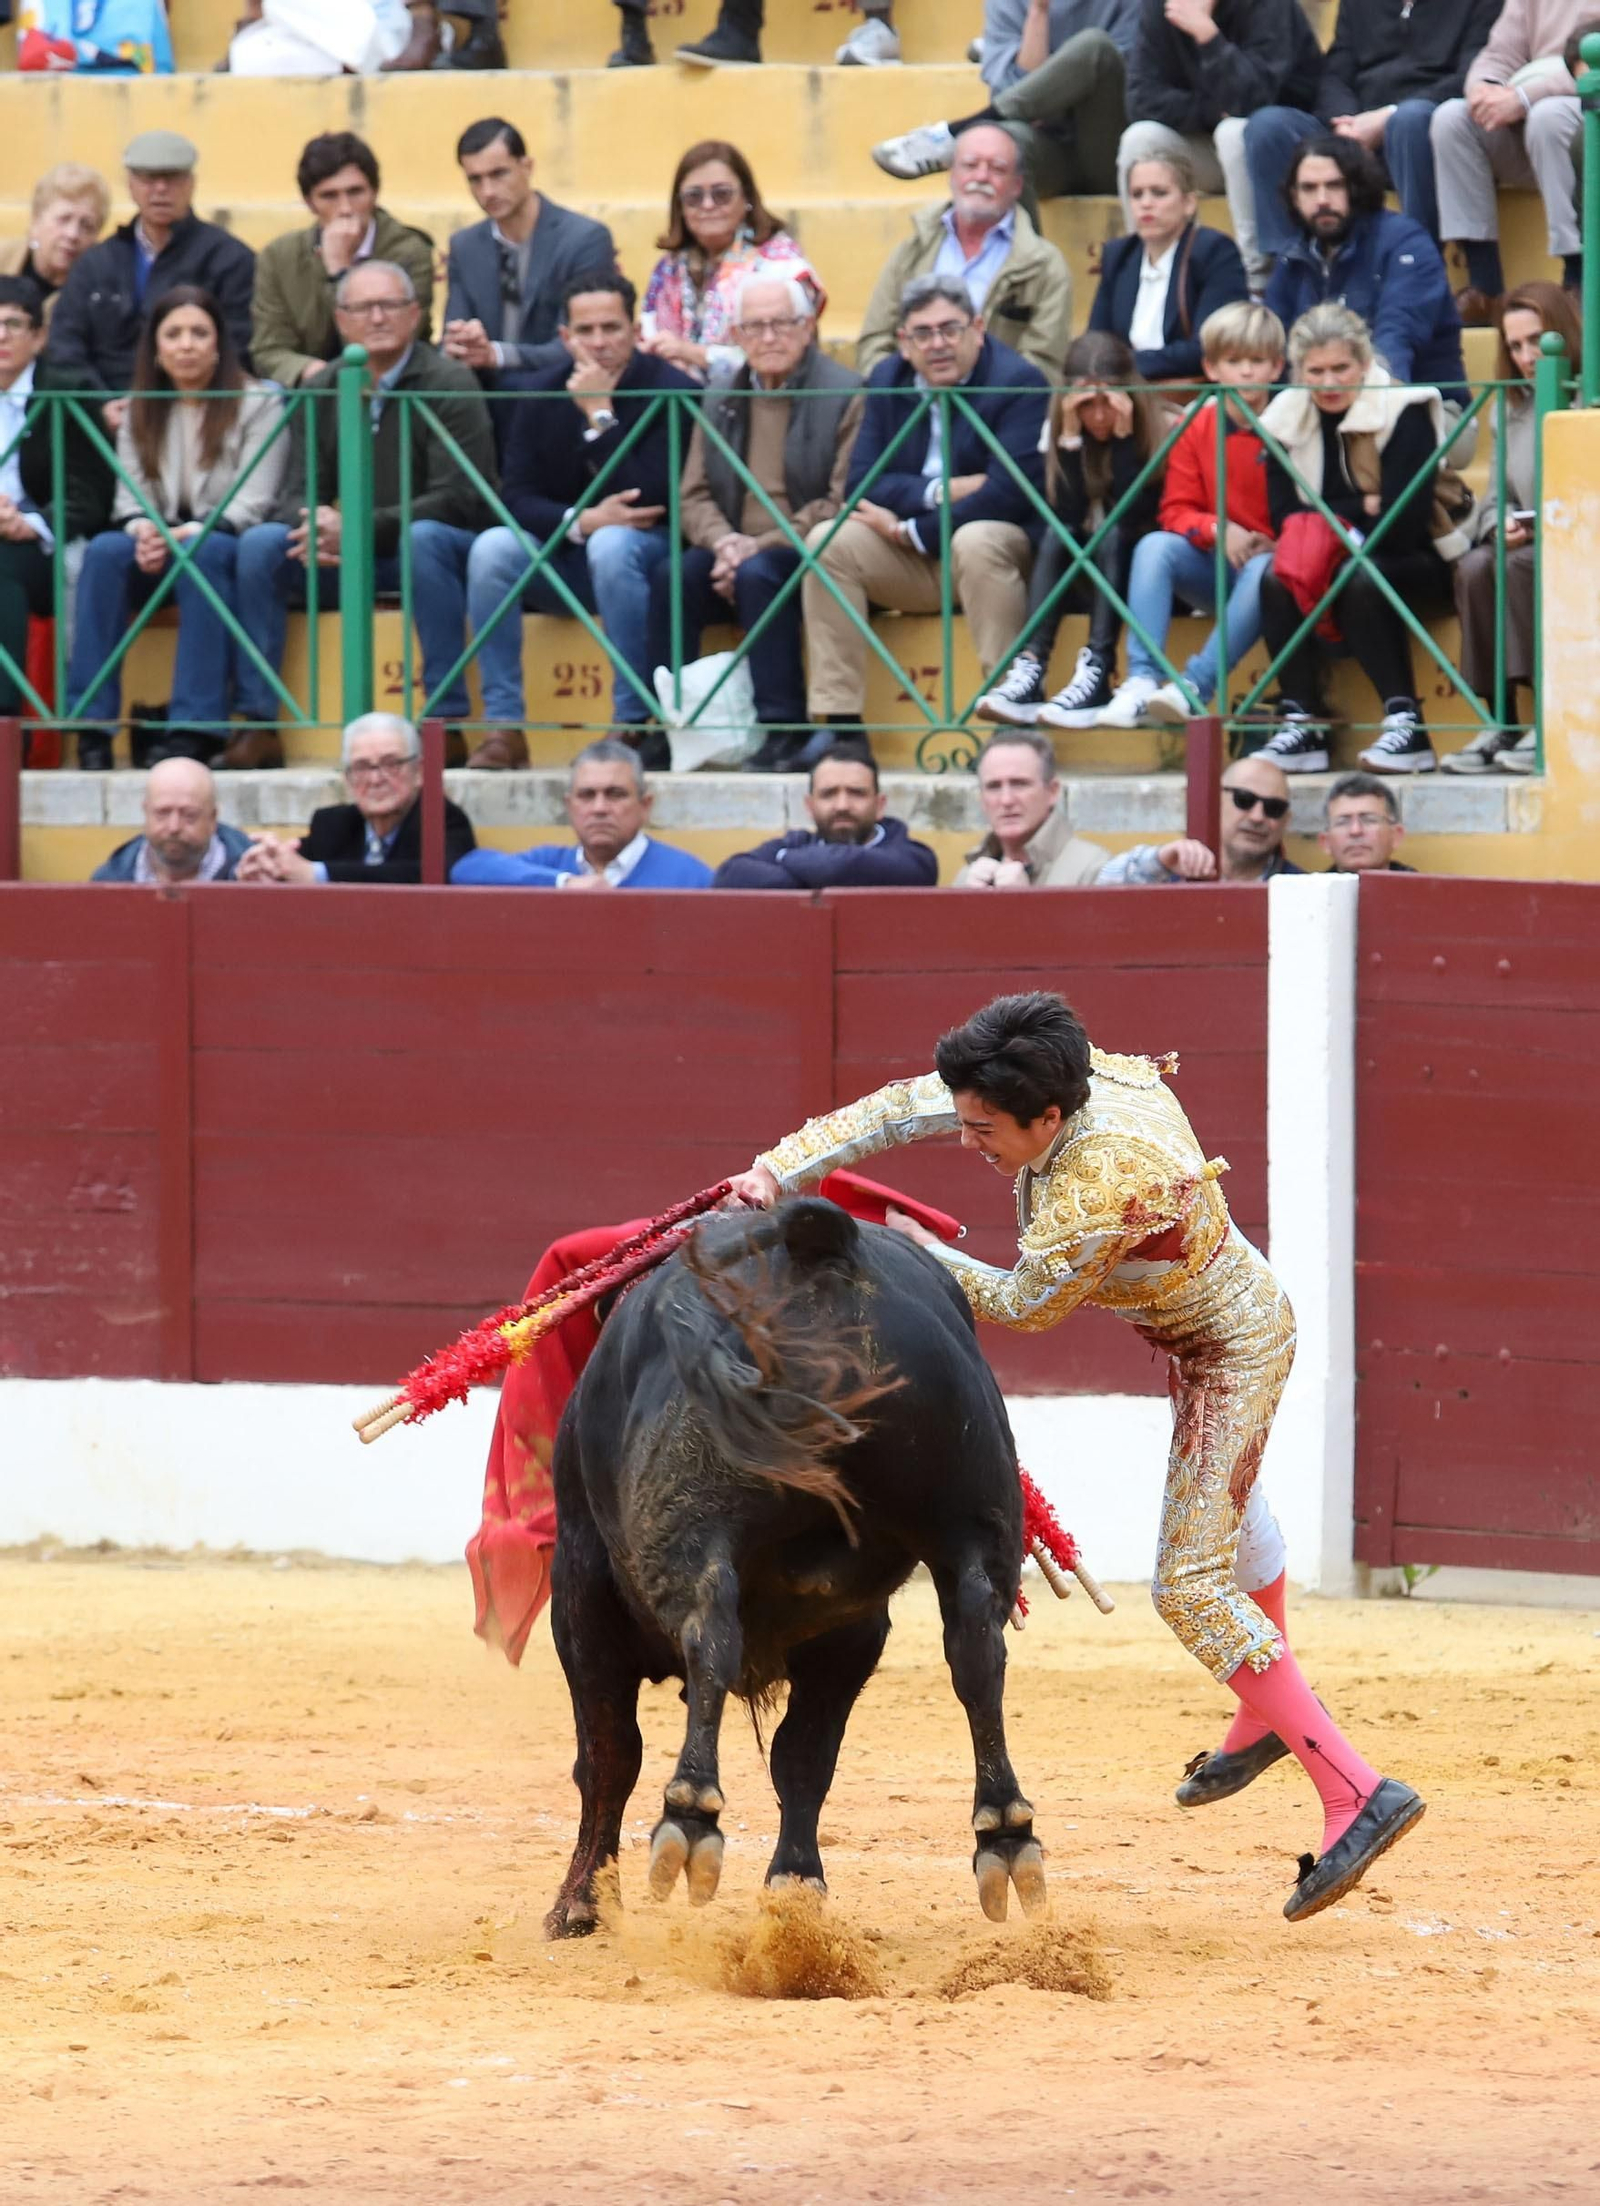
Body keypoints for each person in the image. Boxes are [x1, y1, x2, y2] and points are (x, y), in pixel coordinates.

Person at [729, 990, 1425, 1922]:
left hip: (1232, 1350)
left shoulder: (1105, 1178)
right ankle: (1263, 1716)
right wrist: (777, 1168)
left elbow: (1025, 1304)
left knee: (1189, 1583)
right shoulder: (1057, 1085)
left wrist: (900, 1247)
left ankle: (1356, 1792)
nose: (967, 1139)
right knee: (1233, 1526)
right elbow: (902, 1107)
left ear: (1048, 1117)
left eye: (983, 1129)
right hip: (1213, 1322)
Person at [413, 271, 698, 773]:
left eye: (611, 328)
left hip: (643, 557)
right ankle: (505, 727)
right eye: (585, 331)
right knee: (495, 548)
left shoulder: (672, 388)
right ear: (565, 337)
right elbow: (516, 497)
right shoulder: (539, 391)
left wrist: (600, 415)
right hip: (564, 553)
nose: (599, 343)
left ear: (634, 330)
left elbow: (654, 495)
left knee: (613, 544)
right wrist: (579, 521)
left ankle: (634, 720)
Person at [233, 263, 496, 773]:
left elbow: (460, 497)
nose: (377, 317)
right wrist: (319, 524)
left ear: (417, 315)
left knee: (426, 539)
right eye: (362, 308)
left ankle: (447, 722)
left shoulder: (450, 381)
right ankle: (257, 723)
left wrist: (358, 527)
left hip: (419, 557)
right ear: (340, 320)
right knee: (262, 544)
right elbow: (294, 492)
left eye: (391, 305)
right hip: (337, 557)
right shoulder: (323, 387)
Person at [802, 276, 1048, 739]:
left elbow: (1008, 493)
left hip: (996, 553)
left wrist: (912, 531)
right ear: (903, 342)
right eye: (923, 333)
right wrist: (943, 491)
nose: (938, 345)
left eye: (950, 329)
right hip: (917, 555)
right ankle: (839, 724)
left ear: (978, 327)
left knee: (975, 538)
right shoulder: (888, 380)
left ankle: (1013, 714)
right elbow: (861, 484)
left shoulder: (1018, 381)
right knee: (827, 541)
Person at [650, 270, 864, 775]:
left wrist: (759, 545)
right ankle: (663, 723)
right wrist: (724, 542)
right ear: (736, 335)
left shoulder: (846, 392)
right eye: (755, 327)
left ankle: (782, 728)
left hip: (801, 545)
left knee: (759, 576)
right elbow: (693, 493)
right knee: (672, 577)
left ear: (808, 326)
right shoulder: (722, 393)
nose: (769, 338)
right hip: (732, 546)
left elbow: (840, 499)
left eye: (783, 324)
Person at [65, 287, 285, 773]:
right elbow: (129, 498)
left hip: (220, 537)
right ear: (156, 349)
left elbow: (253, 502)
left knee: (202, 557)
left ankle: (196, 725)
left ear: (220, 344)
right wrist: (145, 530)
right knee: (103, 552)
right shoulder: (140, 405)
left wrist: (182, 535)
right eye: (174, 334)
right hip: (158, 537)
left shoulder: (259, 404)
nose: (186, 345)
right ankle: (92, 725)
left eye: (199, 333)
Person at [1253, 302, 1474, 777]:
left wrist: (1327, 517)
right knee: (1275, 579)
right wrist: (1359, 508)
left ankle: (1407, 725)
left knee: (1360, 575)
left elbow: (1402, 525)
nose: (1329, 383)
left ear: (1364, 363)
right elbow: (1282, 515)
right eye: (1316, 372)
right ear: (1298, 371)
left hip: (1420, 559)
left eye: (1341, 368)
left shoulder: (1403, 408)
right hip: (1332, 556)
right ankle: (1303, 722)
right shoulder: (1284, 417)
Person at [1098, 300, 1285, 730]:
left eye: (1257, 361)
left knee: (1262, 569)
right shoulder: (1197, 424)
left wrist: (1273, 543)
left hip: (1279, 572)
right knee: (1154, 547)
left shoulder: (1293, 419)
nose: (1246, 373)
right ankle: (1142, 678)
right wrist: (1218, 529)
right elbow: (1176, 510)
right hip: (1218, 564)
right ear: (1211, 368)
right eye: (1233, 361)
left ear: (1276, 367)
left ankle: (1196, 686)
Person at [977, 330, 1166, 730]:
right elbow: (1067, 511)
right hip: (1083, 570)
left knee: (1114, 533)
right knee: (1057, 534)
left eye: (1107, 403)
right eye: (1086, 405)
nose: (1098, 416)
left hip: (1134, 575)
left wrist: (1124, 439)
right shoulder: (1063, 429)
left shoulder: (1155, 427)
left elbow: (1132, 515)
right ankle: (1031, 667)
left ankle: (1098, 668)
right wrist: (1069, 438)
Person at [1445, 282, 1580, 776]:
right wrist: (1495, 524)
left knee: (1522, 564)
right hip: (1533, 539)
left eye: (1537, 341)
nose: (1527, 357)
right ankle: (1499, 719)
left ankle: (1548, 719)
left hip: (1582, 544)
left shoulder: (1588, 396)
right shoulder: (1510, 407)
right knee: (1478, 564)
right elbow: (1497, 490)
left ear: (1565, 334)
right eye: (1515, 345)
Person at [1244, 0, 1503, 254]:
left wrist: (1388, 117)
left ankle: (1419, 260)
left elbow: (1471, 78)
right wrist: (1348, 124)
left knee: (1410, 120)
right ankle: (1291, 265)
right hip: (1356, 130)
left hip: (1421, 133)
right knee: (1268, 126)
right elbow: (1334, 75)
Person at [46, 132, 255, 421]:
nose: (160, 189)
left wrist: (175, 401)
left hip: (197, 418)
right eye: (147, 179)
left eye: (172, 178)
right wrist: (101, 403)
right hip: (101, 425)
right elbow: (64, 346)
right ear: (131, 185)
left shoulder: (229, 259)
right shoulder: (96, 263)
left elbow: (238, 345)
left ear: (191, 184)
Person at [1118, 0, 1323, 295]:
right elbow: (1140, 99)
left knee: (1234, 132)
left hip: (1280, 154)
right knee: (1140, 139)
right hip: (1208, 145)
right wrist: (1212, 111)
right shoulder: (1159, 7)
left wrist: (1207, 34)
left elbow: (1254, 99)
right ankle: (1154, 275)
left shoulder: (1269, 6)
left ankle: (1256, 282)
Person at [856, 124, 1073, 377]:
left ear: (1017, 185)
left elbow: (1042, 364)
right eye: (970, 165)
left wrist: (981, 406)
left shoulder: (1045, 265)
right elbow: (875, 343)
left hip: (999, 414)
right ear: (952, 175)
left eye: (997, 169)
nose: (981, 177)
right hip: (914, 409)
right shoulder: (912, 251)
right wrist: (908, 399)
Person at [1263, 137, 1467, 405]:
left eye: (1334, 185)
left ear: (1356, 188)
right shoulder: (1292, 258)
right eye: (1309, 188)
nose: (1322, 200)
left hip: (1426, 411)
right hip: (1321, 411)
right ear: (1295, 197)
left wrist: (1361, 410)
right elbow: (1271, 350)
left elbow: (1397, 338)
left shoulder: (1406, 243)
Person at [0, 275, 116, 743]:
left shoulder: (68, 392)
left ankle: (6, 724)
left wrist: (32, 523)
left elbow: (92, 493)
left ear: (40, 336)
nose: (1, 336)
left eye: (14, 324)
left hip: (45, 547)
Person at [870, 0, 1139, 191]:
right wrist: (1039, 11)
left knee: (1096, 46)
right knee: (1004, 144)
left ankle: (960, 131)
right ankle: (1029, 268)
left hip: (1107, 150)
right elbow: (1017, 94)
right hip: (1048, 149)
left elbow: (1121, 80)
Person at [1431, 0, 1590, 323]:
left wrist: (1527, 96)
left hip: (1581, 112)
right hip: (1536, 122)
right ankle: (1484, 287)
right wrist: (1484, 88)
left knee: (1550, 116)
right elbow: (1499, 53)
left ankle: (1578, 276)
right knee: (1452, 119)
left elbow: (1590, 66)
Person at [250, 133, 435, 390]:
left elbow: (399, 340)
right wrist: (313, 371)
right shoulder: (279, 257)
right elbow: (269, 349)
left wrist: (339, 271)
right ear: (309, 202)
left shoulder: (410, 251)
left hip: (392, 381)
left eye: (355, 192)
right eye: (329, 196)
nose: (345, 208)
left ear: (375, 192)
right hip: (311, 385)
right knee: (269, 391)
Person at [442, 120, 618, 381]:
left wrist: (496, 354)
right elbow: (452, 336)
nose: (487, 191)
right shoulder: (464, 246)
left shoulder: (584, 239)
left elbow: (583, 344)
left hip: (561, 395)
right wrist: (461, 342)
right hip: (485, 400)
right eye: (475, 180)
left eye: (499, 174)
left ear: (527, 167)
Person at [639, 141, 822, 384]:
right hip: (679, 405)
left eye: (721, 194)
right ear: (680, 207)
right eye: (694, 197)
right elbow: (651, 342)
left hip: (760, 400)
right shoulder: (668, 268)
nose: (708, 205)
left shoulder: (782, 263)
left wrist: (692, 354)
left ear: (746, 198)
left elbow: (787, 351)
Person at [238, 712, 475, 884]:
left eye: (391, 764)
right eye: (362, 767)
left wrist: (319, 874)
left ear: (419, 772)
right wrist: (269, 861)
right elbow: (296, 864)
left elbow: (428, 875)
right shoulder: (331, 823)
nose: (375, 779)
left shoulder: (443, 819)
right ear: (348, 778)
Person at [451, 737, 712, 887]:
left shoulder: (690, 876)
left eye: (615, 794)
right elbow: (468, 868)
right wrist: (564, 884)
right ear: (569, 806)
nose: (599, 808)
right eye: (587, 796)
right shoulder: (551, 863)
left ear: (645, 806)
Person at [1087, 147, 1248, 382]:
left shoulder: (1215, 252)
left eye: (1159, 193)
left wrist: (1123, 364)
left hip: (1192, 398)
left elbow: (1208, 348)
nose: (1146, 204)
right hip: (1124, 396)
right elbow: (1095, 343)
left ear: (1189, 203)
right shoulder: (1118, 255)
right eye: (1137, 194)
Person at [712, 744, 939, 886]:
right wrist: (813, 870)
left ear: (879, 805)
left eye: (856, 793)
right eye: (828, 794)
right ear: (810, 806)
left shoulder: (914, 858)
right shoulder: (797, 842)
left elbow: (843, 865)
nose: (842, 805)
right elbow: (729, 875)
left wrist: (785, 860)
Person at [1098, 753, 1304, 881]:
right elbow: (1101, 887)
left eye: (1274, 807)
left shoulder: (1300, 890)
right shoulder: (1171, 870)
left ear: (1286, 821)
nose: (1258, 816)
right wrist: (1160, 862)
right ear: (1215, 801)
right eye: (1244, 799)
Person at [954, 730, 1112, 885]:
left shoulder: (1094, 870)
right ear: (981, 798)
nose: (1006, 800)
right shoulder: (969, 877)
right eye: (994, 786)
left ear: (1052, 791)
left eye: (1020, 784)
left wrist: (1026, 903)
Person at [91, 756, 253, 883]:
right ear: (146, 812)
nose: (174, 827)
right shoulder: (111, 879)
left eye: (189, 815)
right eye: (162, 813)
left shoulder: (257, 874)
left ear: (213, 818)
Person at [0, 163, 111, 321]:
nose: (73, 234)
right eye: (64, 219)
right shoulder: (4, 259)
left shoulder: (100, 290)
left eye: (87, 226)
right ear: (36, 221)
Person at [1320, 770, 1415, 871]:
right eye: (1342, 822)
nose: (1355, 831)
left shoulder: (1420, 887)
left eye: (1369, 820)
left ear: (1396, 836)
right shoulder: (1311, 887)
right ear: (1325, 842)